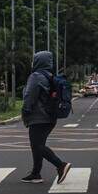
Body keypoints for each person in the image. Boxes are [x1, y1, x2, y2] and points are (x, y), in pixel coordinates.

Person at [21, 51, 71, 184]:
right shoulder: (50, 76)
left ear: (38, 61)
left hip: (38, 117)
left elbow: (29, 96)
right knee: (37, 145)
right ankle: (36, 173)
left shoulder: (36, 76)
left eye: (34, 60)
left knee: (37, 146)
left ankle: (61, 165)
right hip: (49, 117)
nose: (32, 62)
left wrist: (25, 110)